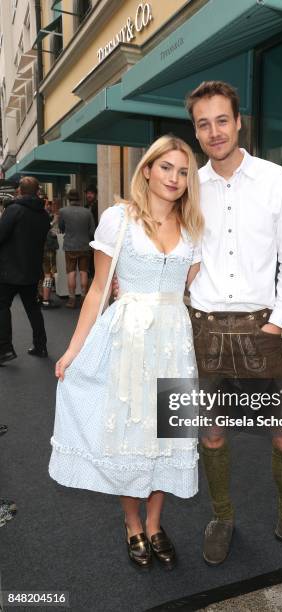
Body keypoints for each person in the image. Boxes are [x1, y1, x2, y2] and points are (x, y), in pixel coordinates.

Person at [185, 81, 282, 566]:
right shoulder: (188, 184)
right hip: (205, 328)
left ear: (238, 121)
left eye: (221, 120)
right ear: (196, 130)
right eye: (203, 124)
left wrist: (275, 324)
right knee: (211, 432)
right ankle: (222, 517)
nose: (214, 132)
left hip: (259, 329)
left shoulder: (277, 179)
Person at [48, 135, 204, 570]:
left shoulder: (193, 226)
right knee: (130, 436)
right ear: (148, 170)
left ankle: (156, 523)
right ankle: (133, 523)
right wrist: (73, 350)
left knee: (167, 436)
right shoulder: (118, 219)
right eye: (167, 167)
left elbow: (189, 287)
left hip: (173, 342)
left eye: (183, 171)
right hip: (128, 341)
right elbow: (98, 289)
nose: (175, 178)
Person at [0, 176, 50, 363]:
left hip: (8, 270)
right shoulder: (43, 214)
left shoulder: (13, 210)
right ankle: (40, 345)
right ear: (37, 191)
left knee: (2, 307)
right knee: (33, 308)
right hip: (31, 269)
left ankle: (5, 349)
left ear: (19, 191)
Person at [58, 189, 95, 308]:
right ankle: (84, 297)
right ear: (79, 198)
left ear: (68, 199)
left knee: (71, 272)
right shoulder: (87, 212)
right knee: (84, 272)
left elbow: (61, 227)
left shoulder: (63, 211)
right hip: (85, 245)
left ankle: (71, 299)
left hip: (70, 245)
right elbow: (92, 231)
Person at [41, 197, 60, 309]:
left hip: (42, 248)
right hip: (48, 248)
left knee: (45, 274)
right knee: (48, 274)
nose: (50, 206)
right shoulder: (44, 215)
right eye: (48, 204)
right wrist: (54, 222)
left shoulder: (40, 214)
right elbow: (49, 230)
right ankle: (46, 300)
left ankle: (43, 297)